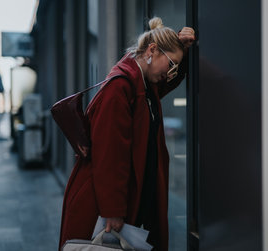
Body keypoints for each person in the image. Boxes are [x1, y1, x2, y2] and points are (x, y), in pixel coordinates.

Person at [59, 17, 195, 251]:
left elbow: (164, 83)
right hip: (100, 207)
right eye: (171, 64)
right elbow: (109, 154)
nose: (170, 72)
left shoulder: (141, 82)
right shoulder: (121, 87)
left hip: (121, 199)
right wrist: (112, 211)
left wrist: (182, 50)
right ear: (152, 50)